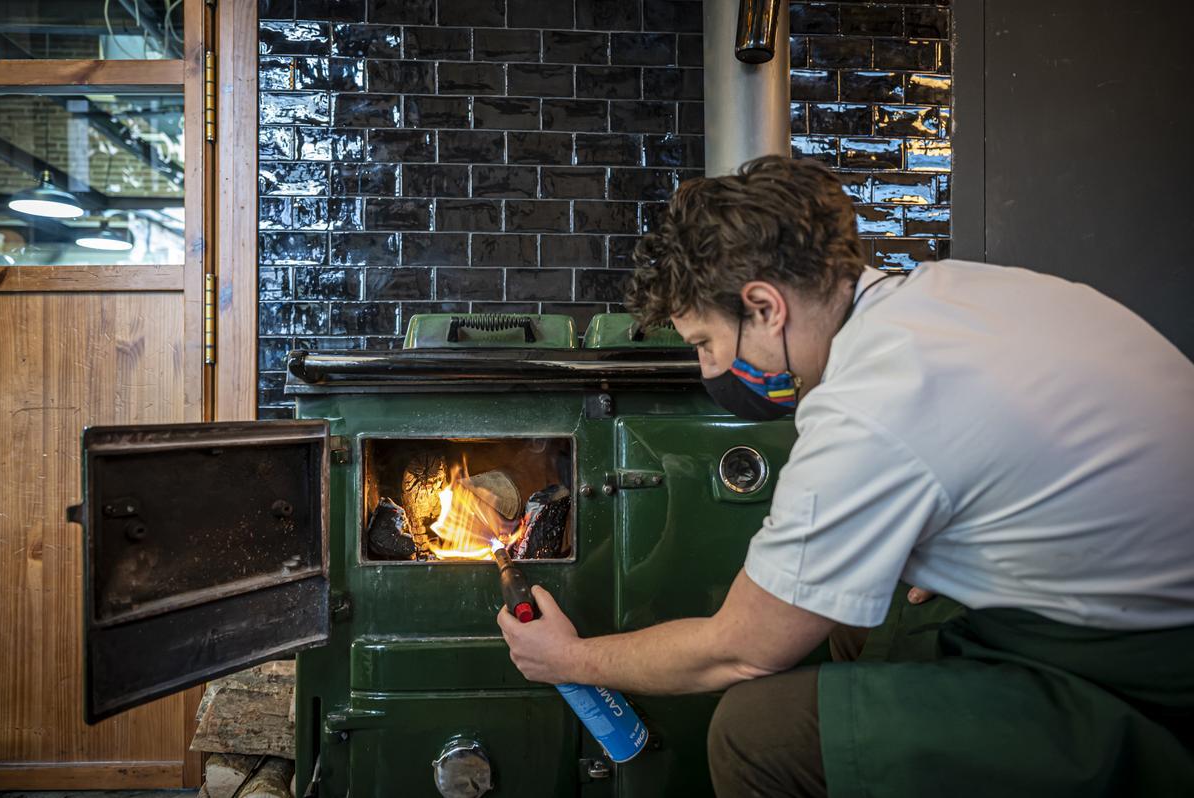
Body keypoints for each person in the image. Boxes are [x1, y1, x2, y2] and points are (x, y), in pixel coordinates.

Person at [496, 155, 1194, 797]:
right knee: (865, 619)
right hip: (1125, 605)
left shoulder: (870, 406)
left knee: (754, 733)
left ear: (766, 307)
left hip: (1145, 680)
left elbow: (738, 649)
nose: (709, 371)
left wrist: (570, 660)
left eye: (706, 342)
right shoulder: (949, 291)